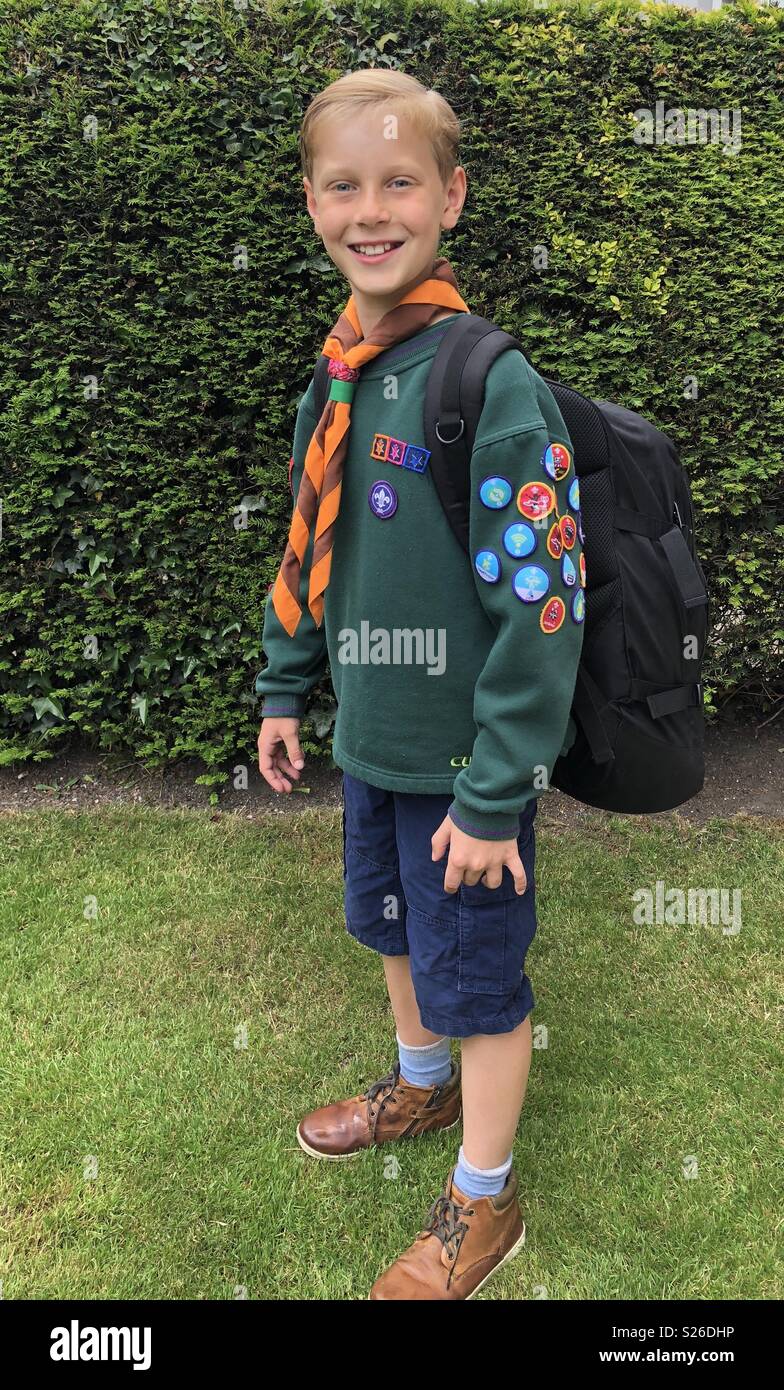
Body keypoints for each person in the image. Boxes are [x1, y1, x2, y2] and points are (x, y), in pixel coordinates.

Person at [256, 67, 585, 1301]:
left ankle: (482, 1203)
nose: (371, 208)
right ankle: (417, 1081)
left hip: (468, 779)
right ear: (311, 203)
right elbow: (311, 541)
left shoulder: (488, 383)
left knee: (481, 982)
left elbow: (545, 608)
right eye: (345, 184)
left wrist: (497, 795)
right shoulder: (336, 374)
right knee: (390, 930)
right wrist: (286, 686)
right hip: (373, 744)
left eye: (400, 181)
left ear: (450, 197)